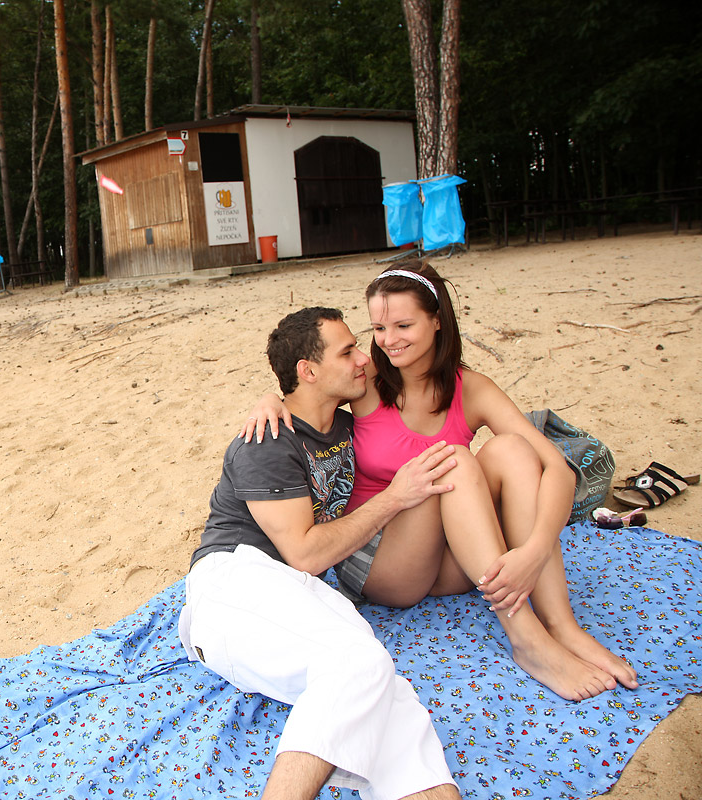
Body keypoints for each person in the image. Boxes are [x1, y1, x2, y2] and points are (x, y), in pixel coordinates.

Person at [244, 264, 638, 702]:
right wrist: (270, 400)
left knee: (513, 450)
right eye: (378, 328)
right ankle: (527, 639)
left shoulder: (472, 389)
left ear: (436, 320)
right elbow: (308, 387)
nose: (387, 340)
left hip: (458, 558)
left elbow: (558, 470)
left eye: (403, 325)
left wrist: (534, 550)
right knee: (454, 462)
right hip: (381, 560)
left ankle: (561, 625)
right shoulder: (368, 379)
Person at [181, 306, 462, 800]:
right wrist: (396, 497)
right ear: (308, 372)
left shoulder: (348, 428)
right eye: (347, 351)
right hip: (233, 581)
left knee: (379, 684)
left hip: (301, 592)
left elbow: (408, 379)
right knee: (358, 662)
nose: (362, 359)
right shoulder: (265, 442)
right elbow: (306, 554)